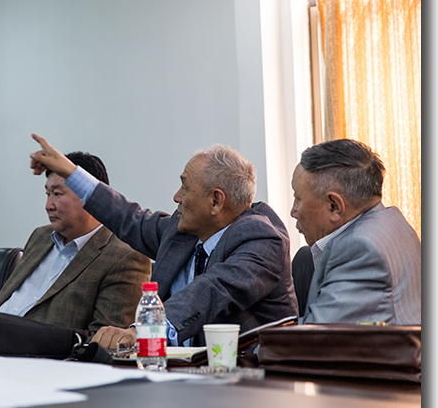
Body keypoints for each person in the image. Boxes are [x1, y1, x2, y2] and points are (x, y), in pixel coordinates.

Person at [29, 134, 297, 348]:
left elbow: (211, 290)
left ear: (216, 201)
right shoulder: (183, 231)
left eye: (185, 187)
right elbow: (127, 217)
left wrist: (145, 331)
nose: (176, 197)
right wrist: (70, 172)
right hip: (179, 374)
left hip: (248, 380)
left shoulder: (262, 239)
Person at [0, 150, 152, 337]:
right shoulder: (40, 236)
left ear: (88, 195)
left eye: (57, 194)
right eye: (47, 194)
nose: (48, 205)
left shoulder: (125, 257)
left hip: (32, 352)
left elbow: (104, 341)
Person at [290, 139, 421, 325]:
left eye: (298, 199)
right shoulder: (392, 222)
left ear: (334, 206)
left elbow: (319, 333)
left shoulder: (360, 250)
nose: (293, 211)